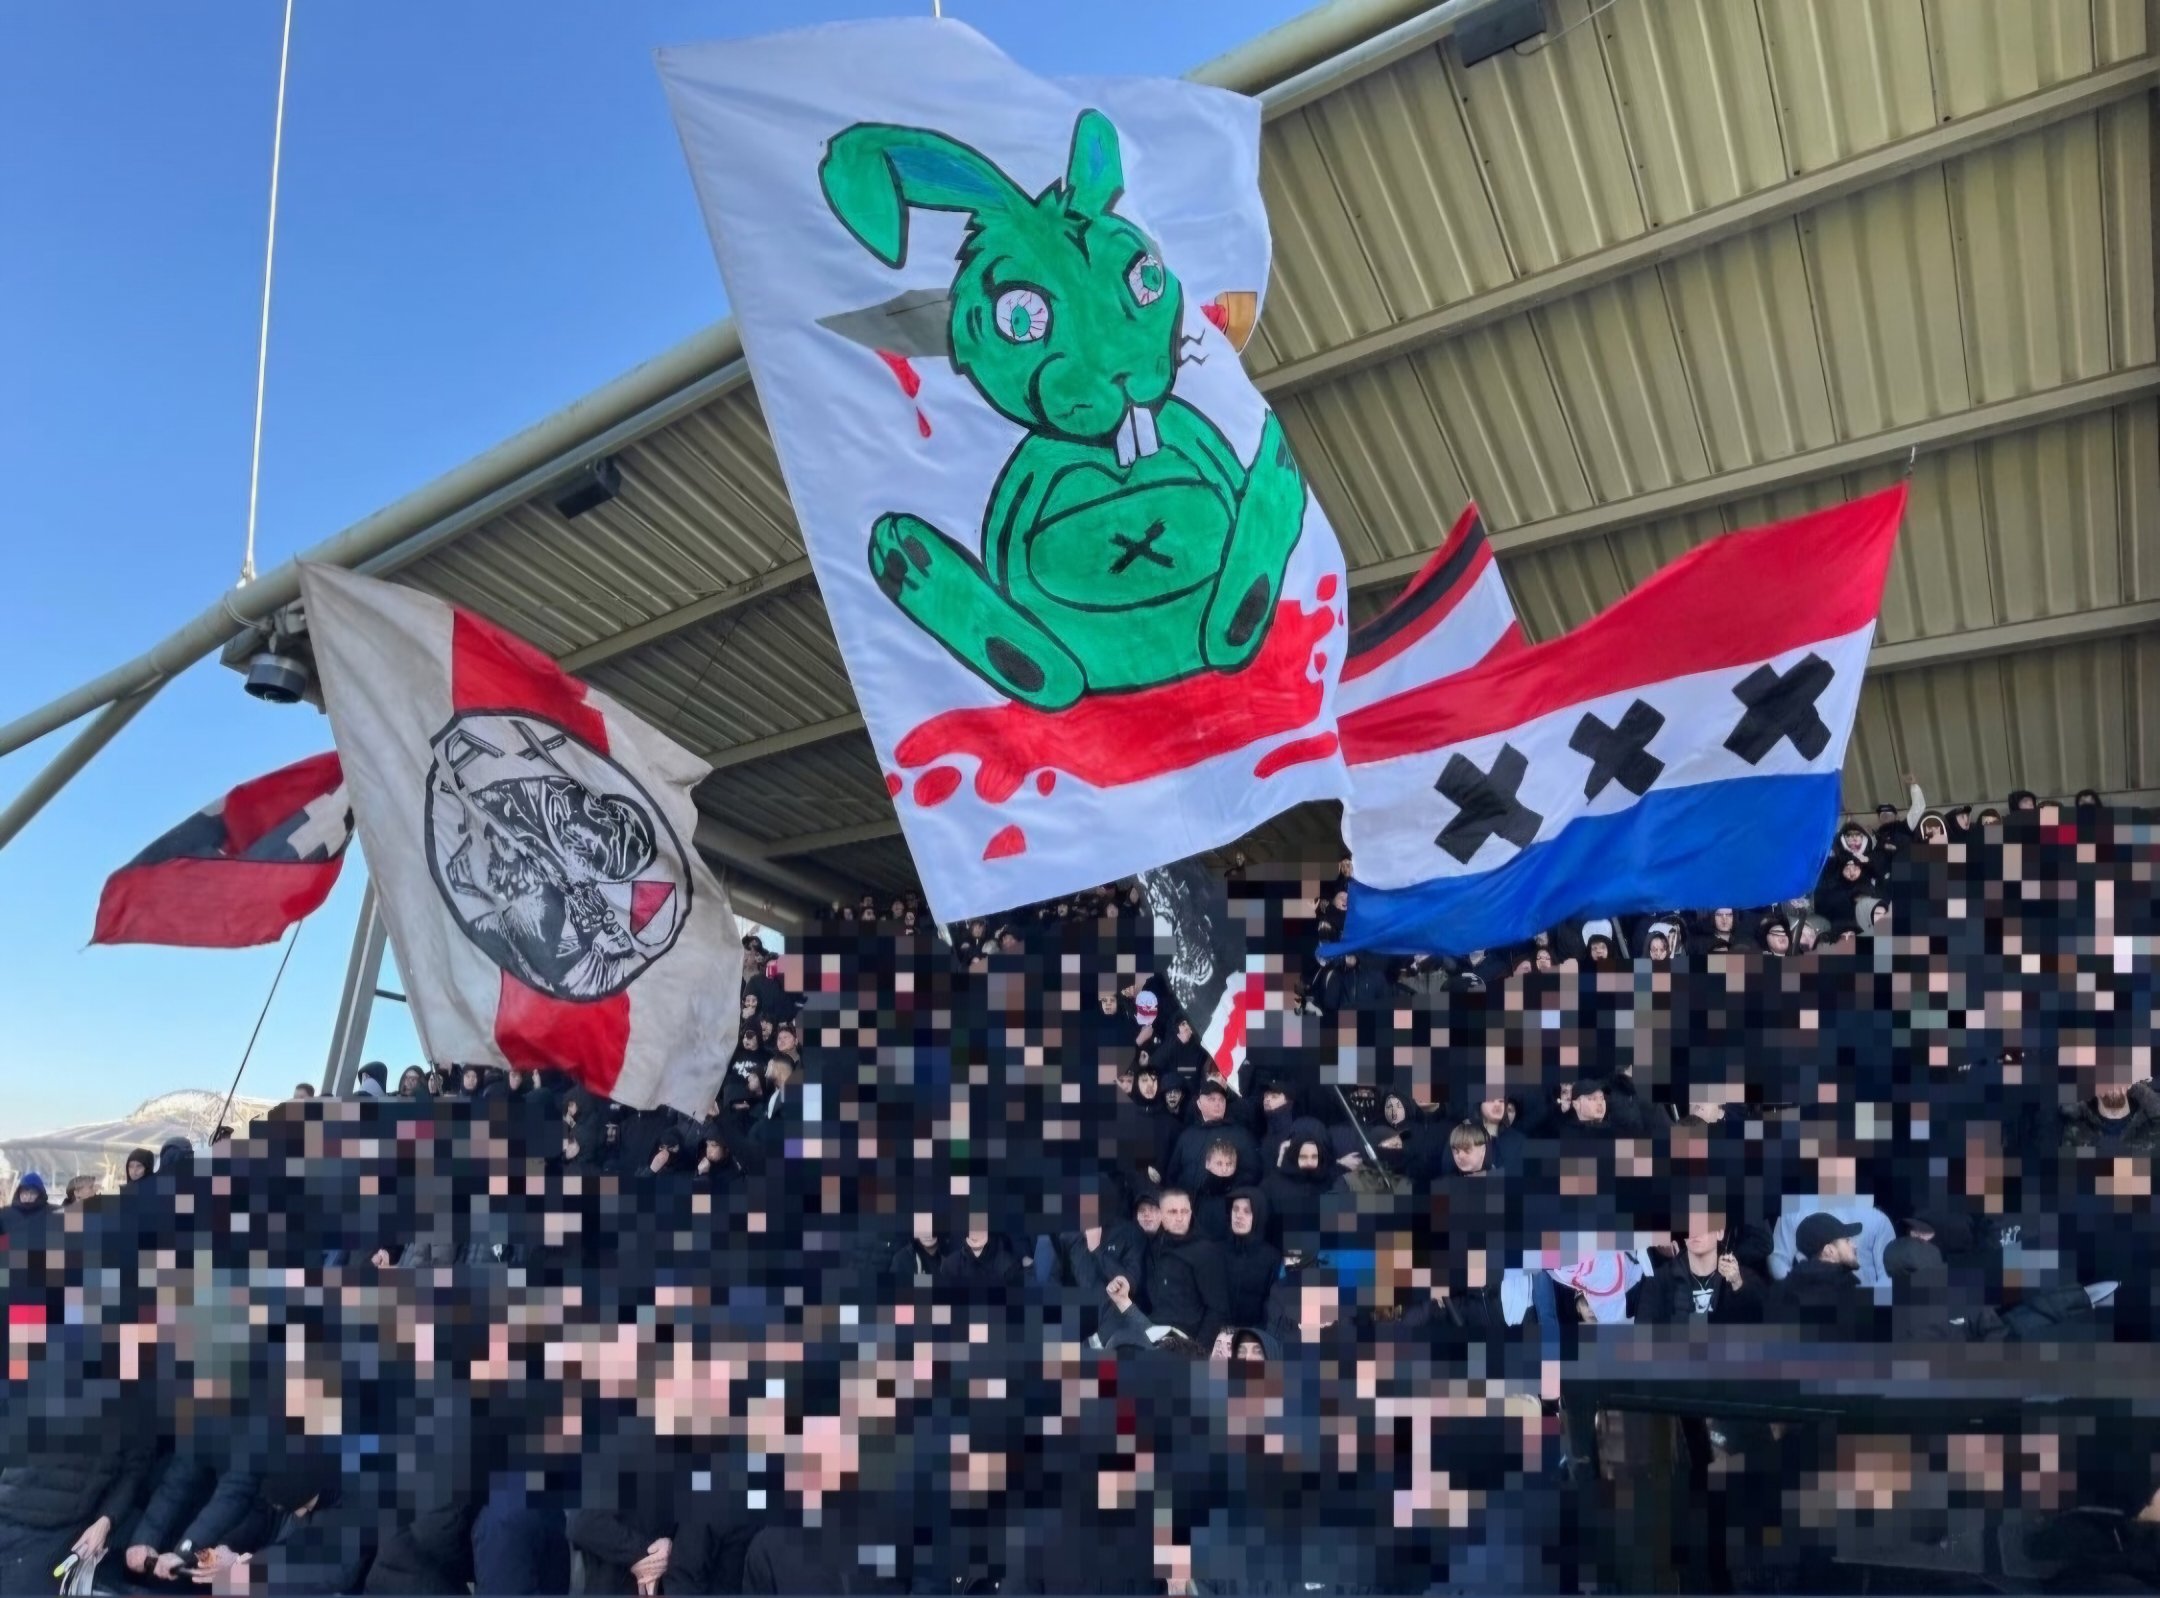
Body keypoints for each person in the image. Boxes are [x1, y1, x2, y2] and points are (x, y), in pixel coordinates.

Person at [1767, 1213, 1879, 1339]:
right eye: (1847, 1241)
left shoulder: (1780, 1291)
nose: (1854, 1245)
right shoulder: (1847, 1296)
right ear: (1829, 1251)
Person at [1144, 1190, 1232, 1346]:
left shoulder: (1206, 1252)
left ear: (1191, 1213)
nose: (1179, 1217)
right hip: (1154, 1333)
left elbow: (1218, 1308)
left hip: (1187, 1339)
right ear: (1160, 1215)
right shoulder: (1154, 1245)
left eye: (1184, 1211)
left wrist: (1199, 1348)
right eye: (1172, 1212)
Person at [1218, 1190, 1280, 1328]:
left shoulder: (1271, 1257)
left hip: (1253, 1338)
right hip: (1216, 1335)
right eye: (1235, 1209)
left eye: (1247, 1211)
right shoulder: (1216, 1251)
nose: (1239, 1216)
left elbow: (1271, 1305)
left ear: (1258, 1216)